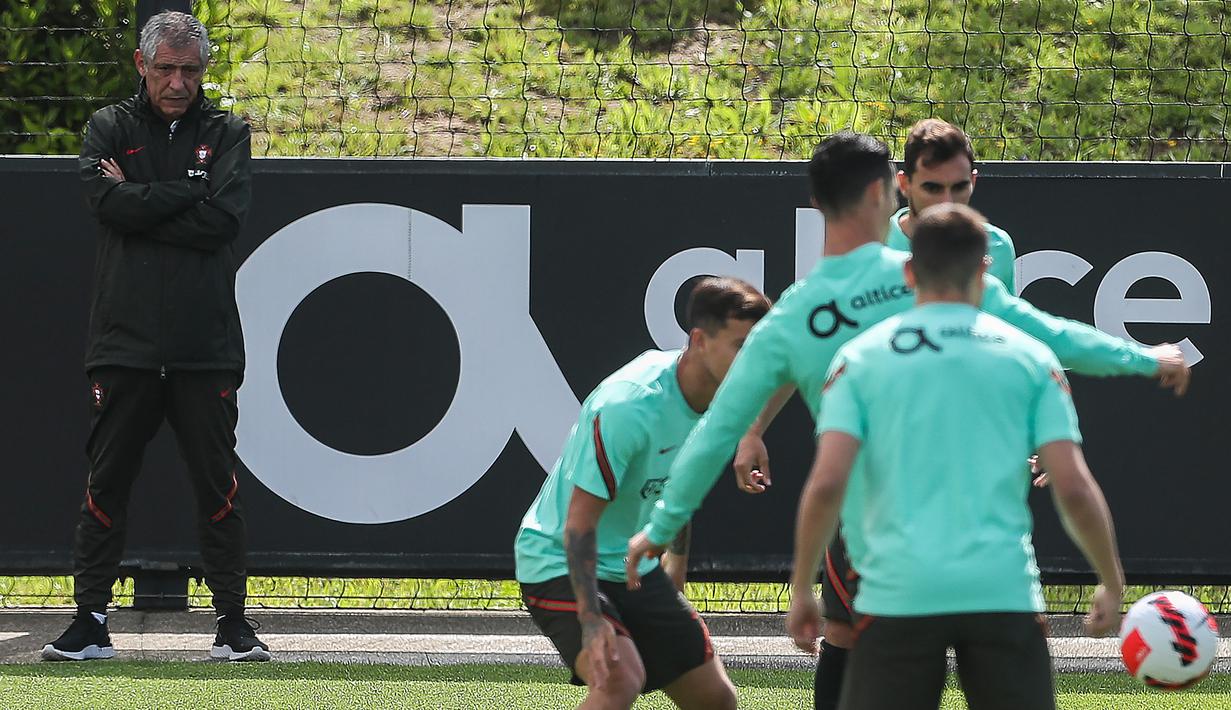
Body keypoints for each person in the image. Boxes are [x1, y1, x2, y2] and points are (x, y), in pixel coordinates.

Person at [624, 131, 1188, 709]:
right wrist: (1147, 357)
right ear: (884, 191)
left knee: (845, 638)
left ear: (816, 203)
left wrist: (660, 529)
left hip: (886, 565)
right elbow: (1053, 336)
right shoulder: (947, 276)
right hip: (995, 572)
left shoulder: (802, 318)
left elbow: (718, 432)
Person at [786, 203, 1124, 710]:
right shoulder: (1032, 358)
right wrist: (1112, 582)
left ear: (907, 271)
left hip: (898, 593)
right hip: (1002, 592)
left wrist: (800, 587)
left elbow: (828, 483)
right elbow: (1073, 487)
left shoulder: (859, 358)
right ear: (986, 272)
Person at [43, 11, 268, 662]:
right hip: (125, 343)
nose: (178, 82)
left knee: (218, 489)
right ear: (142, 65)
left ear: (204, 70)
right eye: (166, 68)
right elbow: (105, 204)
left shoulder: (227, 131)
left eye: (190, 70)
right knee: (106, 483)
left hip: (205, 347)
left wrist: (141, 198)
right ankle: (90, 622)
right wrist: (185, 195)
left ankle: (233, 626)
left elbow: (222, 222)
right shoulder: (109, 127)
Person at [515, 278, 770, 709]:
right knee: (619, 679)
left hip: (634, 565)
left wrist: (674, 576)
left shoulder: (726, 401)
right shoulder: (629, 407)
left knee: (716, 700)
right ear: (699, 341)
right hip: (557, 558)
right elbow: (580, 523)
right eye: (741, 346)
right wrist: (591, 621)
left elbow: (675, 490)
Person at [888, 119, 1017, 291]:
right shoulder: (874, 246)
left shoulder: (998, 246)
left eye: (959, 187)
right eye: (933, 188)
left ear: (973, 181)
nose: (947, 202)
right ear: (904, 184)